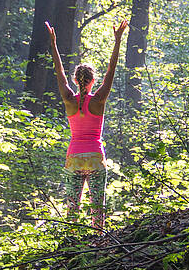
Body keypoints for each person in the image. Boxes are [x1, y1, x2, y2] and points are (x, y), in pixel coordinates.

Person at [45, 19, 128, 231]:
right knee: (97, 206)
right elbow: (111, 70)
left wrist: (53, 44)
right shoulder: (99, 99)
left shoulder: (69, 99)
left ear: (75, 80)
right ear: (93, 81)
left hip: (74, 157)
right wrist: (117, 40)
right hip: (95, 156)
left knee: (72, 206)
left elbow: (59, 73)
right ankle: (98, 239)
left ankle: (70, 242)